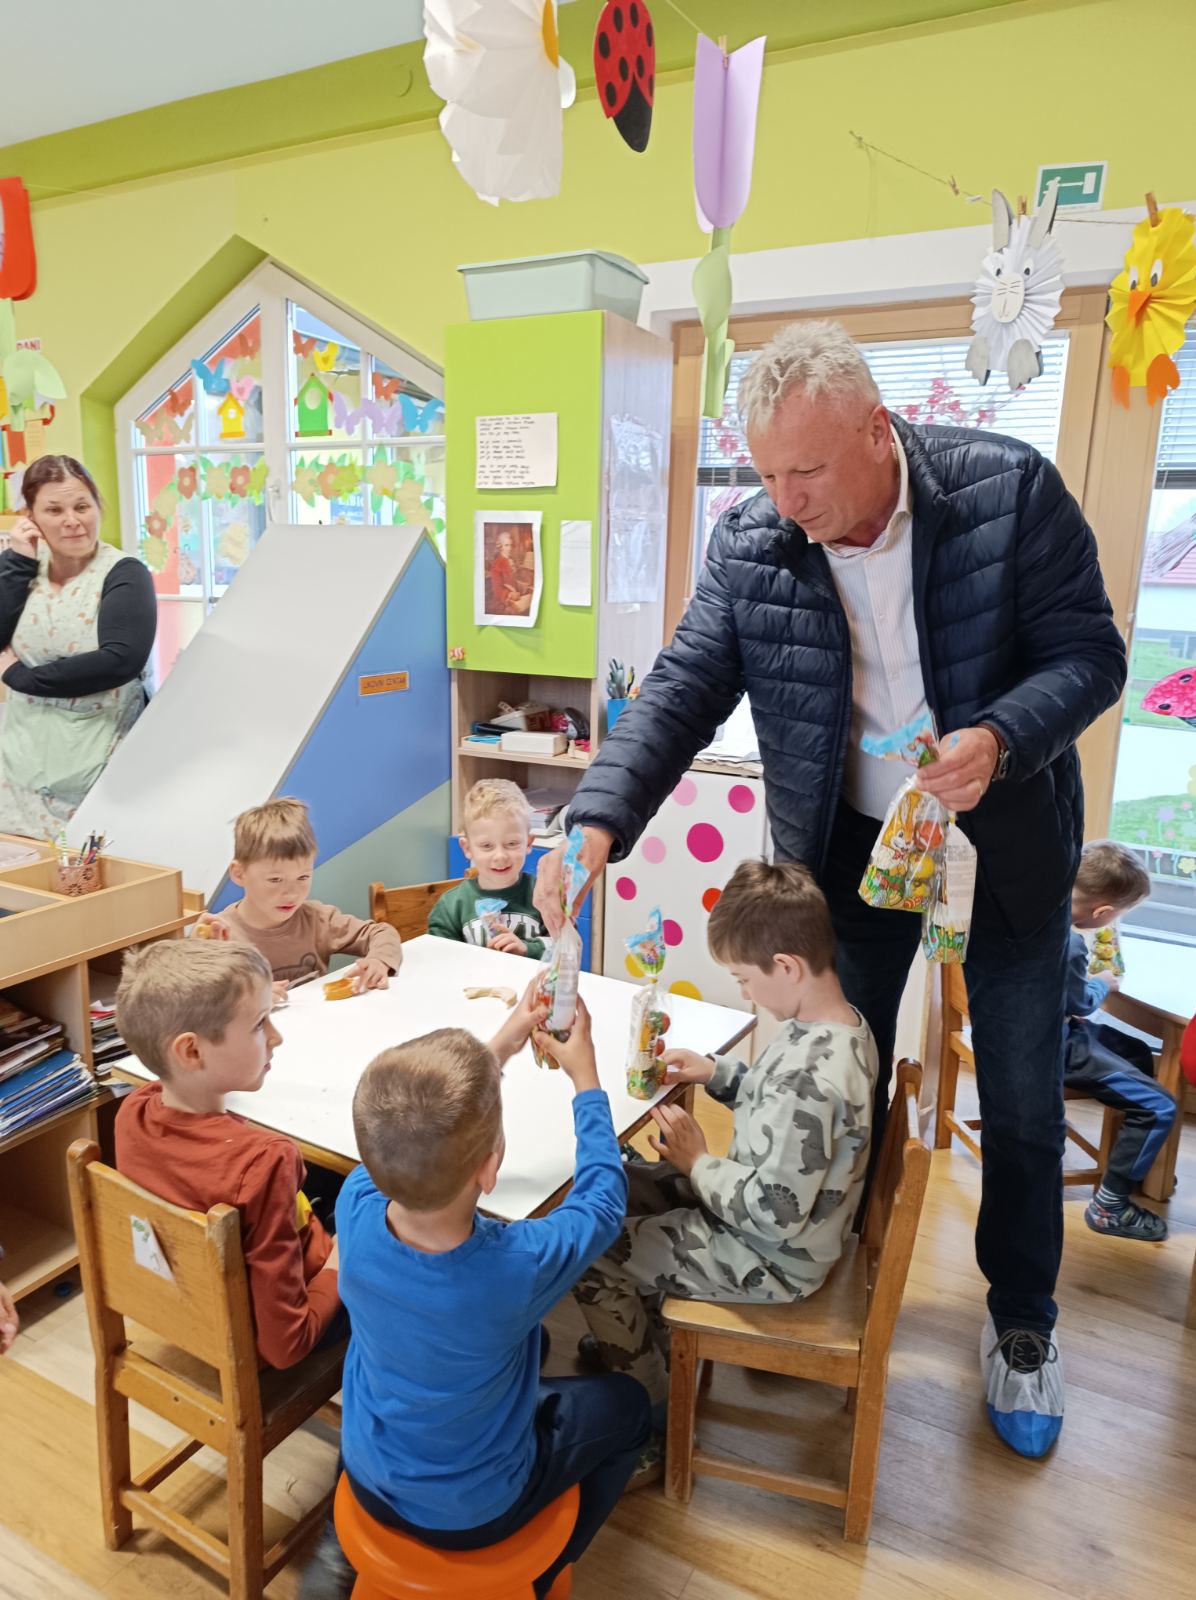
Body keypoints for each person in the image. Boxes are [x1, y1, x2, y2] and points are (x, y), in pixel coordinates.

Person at [535, 320, 1128, 1459]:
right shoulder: (754, 540)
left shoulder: (1006, 490)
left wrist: (1002, 737)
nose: (786, 495)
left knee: (1017, 1100)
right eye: (764, 471)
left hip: (999, 845)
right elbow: (681, 689)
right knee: (822, 1080)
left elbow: (1091, 653)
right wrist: (598, 817)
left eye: (805, 469)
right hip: (853, 854)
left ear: (876, 428)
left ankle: (1021, 1325)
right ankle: (805, 1278)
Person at [302, 992, 649, 1600]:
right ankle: (546, 1569)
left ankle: (339, 1550)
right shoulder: (517, 1265)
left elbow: (410, 1134)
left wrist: (498, 1049)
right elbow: (601, 1201)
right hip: (475, 1513)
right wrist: (585, 1077)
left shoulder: (357, 1205)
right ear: (490, 1169)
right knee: (627, 1407)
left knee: (529, 1342)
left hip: (366, 1468)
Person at [573, 860, 875, 1470]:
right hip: (770, 1225)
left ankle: (650, 1422)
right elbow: (781, 1112)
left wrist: (698, 1161)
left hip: (771, 1257)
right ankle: (637, 1334)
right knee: (618, 1189)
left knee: (590, 1250)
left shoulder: (809, 1078)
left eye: (743, 979)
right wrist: (718, 1072)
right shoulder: (834, 1029)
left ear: (786, 965)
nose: (743, 992)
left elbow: (776, 1211)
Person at [114, 940, 343, 1369]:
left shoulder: (133, 1111)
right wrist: (338, 1264)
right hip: (263, 1338)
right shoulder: (268, 1159)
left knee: (327, 1181)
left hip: (185, 1311)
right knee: (383, 1205)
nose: (277, 1036)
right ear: (192, 1051)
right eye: (259, 1024)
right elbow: (285, 1345)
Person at [0, 454, 156, 838]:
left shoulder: (124, 574)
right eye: (54, 509)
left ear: (97, 507)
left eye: (82, 506)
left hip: (102, 758)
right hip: (21, 761)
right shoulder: (21, 568)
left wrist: (21, 676)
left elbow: (118, 661)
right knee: (23, 885)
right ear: (30, 516)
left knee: (94, 879)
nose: (72, 520)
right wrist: (18, 561)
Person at [1065, 841, 1175, 1242]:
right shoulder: (1072, 943)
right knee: (1161, 1105)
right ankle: (1109, 1205)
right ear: (1102, 913)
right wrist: (1101, 984)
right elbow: (1079, 1002)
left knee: (1136, 1050)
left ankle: (1133, 1158)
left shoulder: (1038, 915)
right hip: (1056, 1047)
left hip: (1049, 1032)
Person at [199, 797, 403, 995]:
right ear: (239, 873)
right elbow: (199, 999)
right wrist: (199, 953)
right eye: (275, 880)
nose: (292, 893)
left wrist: (379, 960)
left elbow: (381, 932)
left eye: (303, 877)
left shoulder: (318, 919)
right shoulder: (221, 934)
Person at [429, 778, 548, 958]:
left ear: (528, 843)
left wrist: (526, 949)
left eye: (512, 843)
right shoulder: (451, 907)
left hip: (530, 985)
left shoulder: (545, 896)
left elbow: (567, 949)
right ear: (467, 848)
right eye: (487, 846)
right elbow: (438, 960)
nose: (500, 856)